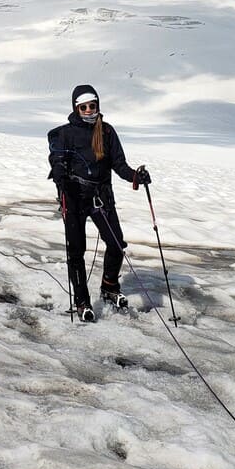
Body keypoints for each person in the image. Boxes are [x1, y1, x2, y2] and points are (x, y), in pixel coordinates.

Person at [47, 84, 150, 322]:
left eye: (92, 106)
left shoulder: (107, 132)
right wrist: (60, 174)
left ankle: (109, 286)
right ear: (76, 108)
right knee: (76, 251)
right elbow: (57, 159)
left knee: (116, 244)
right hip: (73, 196)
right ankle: (82, 301)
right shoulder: (65, 133)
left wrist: (136, 176)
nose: (89, 111)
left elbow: (119, 165)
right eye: (83, 107)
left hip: (100, 196)